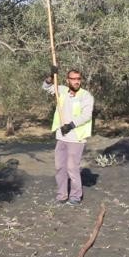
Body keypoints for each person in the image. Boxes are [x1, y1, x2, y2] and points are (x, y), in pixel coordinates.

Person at [43, 67, 95, 206]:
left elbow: (86, 115)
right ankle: (61, 195)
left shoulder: (86, 96)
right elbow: (46, 87)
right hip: (61, 137)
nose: (76, 81)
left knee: (72, 168)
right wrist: (51, 76)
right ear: (68, 80)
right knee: (60, 167)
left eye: (78, 79)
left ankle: (76, 196)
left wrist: (70, 125)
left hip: (76, 138)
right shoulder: (61, 90)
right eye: (73, 79)